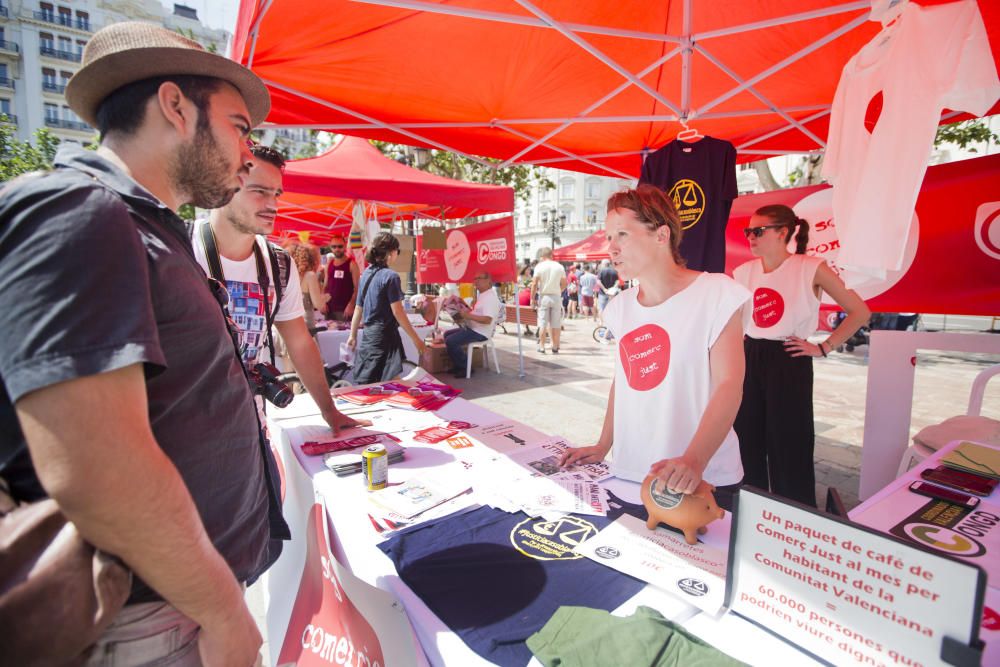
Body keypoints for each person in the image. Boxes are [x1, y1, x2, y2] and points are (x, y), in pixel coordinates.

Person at [0, 22, 276, 665]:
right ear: (176, 106)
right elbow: (97, 467)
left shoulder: (140, 223)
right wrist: (224, 612)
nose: (247, 153)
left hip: (173, 605)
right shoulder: (78, 208)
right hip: (149, 618)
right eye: (240, 126)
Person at [560, 185, 749, 512]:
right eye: (608, 237)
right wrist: (604, 443)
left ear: (662, 235)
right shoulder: (620, 307)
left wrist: (694, 459)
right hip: (632, 473)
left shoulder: (718, 294)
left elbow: (729, 384)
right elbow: (625, 380)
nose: (611, 248)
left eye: (622, 234)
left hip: (701, 478)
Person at [194, 145, 363, 434]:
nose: (272, 204)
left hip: (254, 427)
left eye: (276, 194)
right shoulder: (180, 249)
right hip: (185, 434)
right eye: (259, 191)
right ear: (223, 187)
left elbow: (299, 341)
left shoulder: (279, 263)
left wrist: (329, 411)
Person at [732, 204, 870, 507]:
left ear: (783, 232)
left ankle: (793, 514)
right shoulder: (743, 272)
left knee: (789, 441)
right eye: (748, 231)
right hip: (750, 354)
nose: (751, 237)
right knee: (745, 438)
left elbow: (860, 311)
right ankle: (749, 510)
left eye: (758, 231)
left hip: (789, 356)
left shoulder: (811, 267)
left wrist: (824, 346)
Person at [347, 232, 427, 383]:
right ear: (390, 253)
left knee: (380, 382)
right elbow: (398, 312)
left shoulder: (365, 274)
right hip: (384, 336)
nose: (398, 253)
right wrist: (416, 339)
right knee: (387, 382)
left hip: (369, 336)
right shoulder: (391, 276)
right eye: (397, 250)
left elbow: (358, 308)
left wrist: (352, 335)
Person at [444, 271, 500, 376]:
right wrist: (463, 306)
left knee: (451, 341)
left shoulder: (490, 297)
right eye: (475, 278)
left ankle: (465, 368)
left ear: (488, 281)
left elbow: (487, 320)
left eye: (480, 278)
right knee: (447, 335)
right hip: (473, 328)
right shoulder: (483, 295)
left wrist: (468, 316)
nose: (476, 281)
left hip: (480, 332)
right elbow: (478, 313)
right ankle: (458, 365)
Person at [531, 247, 567, 354]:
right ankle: (555, 346)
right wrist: (558, 290)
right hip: (556, 296)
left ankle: (542, 347)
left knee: (542, 323)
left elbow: (534, 284)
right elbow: (564, 284)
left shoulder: (539, 266)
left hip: (544, 296)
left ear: (542, 257)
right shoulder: (559, 266)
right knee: (555, 323)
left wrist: (532, 299)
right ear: (551, 255)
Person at [287, 241, 329, 329]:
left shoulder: (289, 275)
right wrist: (326, 298)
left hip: (289, 325)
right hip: (305, 326)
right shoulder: (310, 276)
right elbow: (318, 305)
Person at [324, 234, 360, 321]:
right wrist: (322, 302)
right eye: (334, 246)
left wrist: (351, 305)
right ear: (330, 247)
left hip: (345, 311)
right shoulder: (329, 264)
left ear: (345, 246)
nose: (337, 249)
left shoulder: (352, 264)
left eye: (340, 246)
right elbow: (325, 285)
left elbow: (357, 288)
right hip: (329, 309)